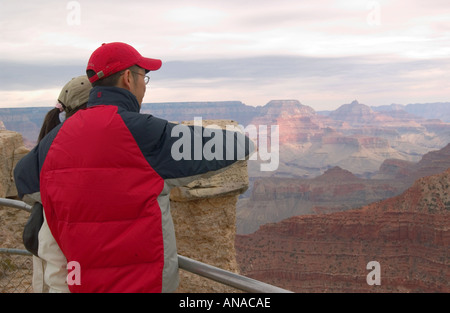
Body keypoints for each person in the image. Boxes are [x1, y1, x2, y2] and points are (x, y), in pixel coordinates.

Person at [14, 42, 254, 293]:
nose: (144, 87)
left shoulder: (55, 139)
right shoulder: (147, 134)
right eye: (144, 77)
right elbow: (233, 145)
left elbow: (24, 179)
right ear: (128, 78)